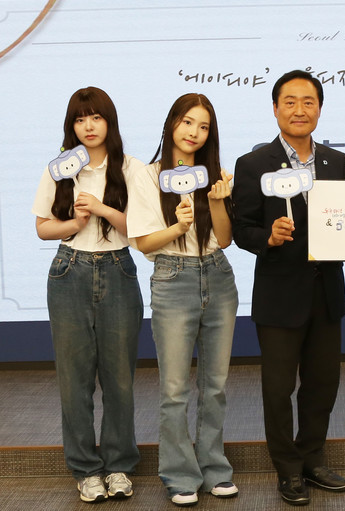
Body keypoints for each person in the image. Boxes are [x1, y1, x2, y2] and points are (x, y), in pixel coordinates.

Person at [232, 70, 345, 507]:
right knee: (278, 389)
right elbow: (242, 229)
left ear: (320, 108)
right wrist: (269, 237)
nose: (300, 110)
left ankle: (313, 458)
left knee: (322, 384)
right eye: (290, 102)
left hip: (327, 292)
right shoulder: (253, 164)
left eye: (308, 101)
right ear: (276, 108)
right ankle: (287, 468)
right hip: (280, 294)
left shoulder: (336, 161)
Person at [126, 93, 238, 507]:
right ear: (172, 122)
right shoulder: (148, 175)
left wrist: (217, 200)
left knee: (216, 384)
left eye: (203, 126)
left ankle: (214, 468)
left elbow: (224, 238)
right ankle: (179, 474)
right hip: (172, 277)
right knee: (174, 388)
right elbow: (142, 242)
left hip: (218, 274)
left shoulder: (213, 174)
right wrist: (177, 226)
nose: (194, 132)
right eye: (188, 122)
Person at [32, 86, 143, 503]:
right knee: (74, 380)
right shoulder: (59, 169)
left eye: (96, 117)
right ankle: (85, 469)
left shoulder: (130, 167)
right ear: (71, 126)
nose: (89, 126)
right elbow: (43, 228)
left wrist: (101, 209)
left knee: (119, 379)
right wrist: (74, 224)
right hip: (69, 270)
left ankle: (118, 465)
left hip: (118, 268)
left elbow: (141, 228)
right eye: (80, 119)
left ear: (109, 121)